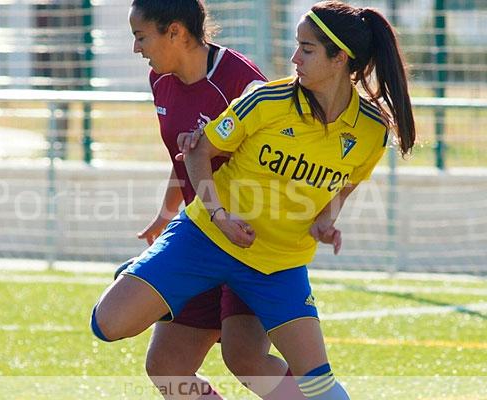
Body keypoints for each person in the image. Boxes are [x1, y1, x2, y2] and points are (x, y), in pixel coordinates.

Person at [93, 1, 416, 399]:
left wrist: (325, 220)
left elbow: (346, 181)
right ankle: (152, 276)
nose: (293, 57)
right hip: (207, 236)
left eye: (306, 48)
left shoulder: (369, 131)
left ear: (339, 59)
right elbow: (195, 153)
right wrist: (207, 215)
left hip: (275, 261)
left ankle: (156, 280)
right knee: (113, 328)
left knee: (288, 372)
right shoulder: (268, 101)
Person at [116, 1, 303, 399]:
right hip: (199, 236)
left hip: (249, 241)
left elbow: (281, 165)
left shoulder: (241, 82)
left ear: (176, 32)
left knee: (247, 359)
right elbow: (183, 157)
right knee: (167, 367)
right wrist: (166, 215)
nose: (137, 49)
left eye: (140, 36)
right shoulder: (160, 79)